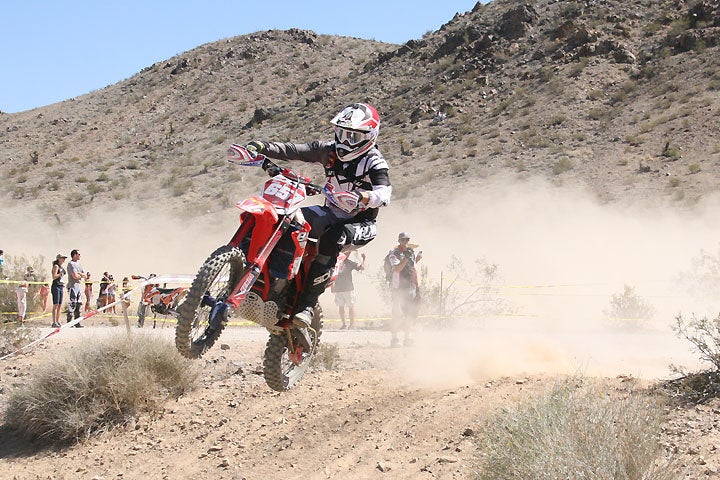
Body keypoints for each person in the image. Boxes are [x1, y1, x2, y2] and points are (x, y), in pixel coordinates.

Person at [246, 103, 391, 345]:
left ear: (369, 136)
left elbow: (385, 192)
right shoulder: (328, 150)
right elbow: (294, 149)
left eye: (352, 135)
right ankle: (274, 286)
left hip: (361, 222)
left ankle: (306, 307)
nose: (345, 140)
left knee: (334, 237)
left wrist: (364, 197)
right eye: (342, 132)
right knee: (288, 218)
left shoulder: (374, 161)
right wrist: (263, 146)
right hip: (331, 211)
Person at [388, 232, 422, 347]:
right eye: (403, 240)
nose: (405, 242)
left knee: (409, 314)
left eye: (407, 239)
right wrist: (406, 257)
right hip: (398, 288)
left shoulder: (411, 253)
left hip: (411, 287)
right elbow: (397, 269)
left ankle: (407, 338)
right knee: (397, 314)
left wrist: (417, 287)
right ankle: (394, 339)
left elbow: (412, 269)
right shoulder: (394, 253)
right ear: (399, 240)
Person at [331, 252, 366, 330]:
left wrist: (364, 259)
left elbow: (361, 267)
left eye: (348, 253)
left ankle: (352, 325)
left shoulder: (349, 262)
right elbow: (332, 273)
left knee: (351, 306)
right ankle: (344, 324)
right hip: (339, 289)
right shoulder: (336, 262)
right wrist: (332, 285)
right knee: (341, 307)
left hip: (348, 289)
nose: (347, 254)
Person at [66, 249, 87, 328]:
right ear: (74, 255)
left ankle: (77, 322)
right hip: (72, 286)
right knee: (72, 304)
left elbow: (84, 275)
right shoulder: (70, 264)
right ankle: (69, 322)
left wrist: (79, 274)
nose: (80, 255)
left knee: (79, 304)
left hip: (78, 286)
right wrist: (79, 275)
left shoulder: (79, 264)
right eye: (78, 254)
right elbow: (75, 276)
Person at [50, 253, 67, 328]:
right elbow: (54, 276)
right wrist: (60, 273)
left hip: (60, 286)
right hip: (56, 286)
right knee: (55, 305)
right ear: (58, 259)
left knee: (59, 305)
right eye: (62, 258)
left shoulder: (61, 267)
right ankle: (54, 321)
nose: (63, 259)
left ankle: (58, 320)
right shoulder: (56, 266)